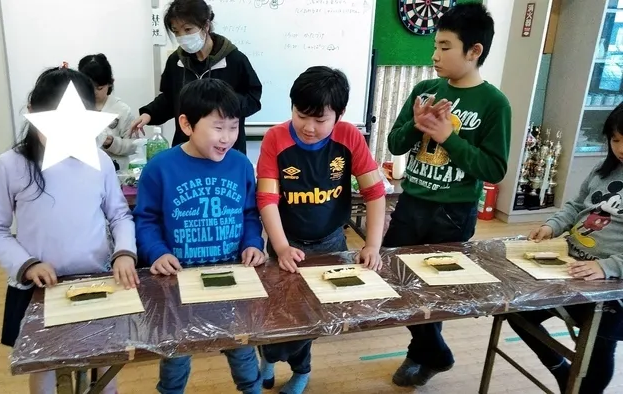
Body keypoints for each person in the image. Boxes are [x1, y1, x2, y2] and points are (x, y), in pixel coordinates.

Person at [0, 66, 139, 394]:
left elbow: (120, 215)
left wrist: (124, 252)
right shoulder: (11, 165)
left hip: (95, 279)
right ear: (34, 114)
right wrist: (27, 265)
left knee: (105, 358)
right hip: (38, 289)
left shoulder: (101, 162)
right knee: (45, 365)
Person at [381, 2, 512, 387]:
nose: (435, 56)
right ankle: (435, 352)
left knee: (432, 291)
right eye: (435, 46)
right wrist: (418, 127)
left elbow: (493, 168)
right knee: (393, 278)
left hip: (453, 213)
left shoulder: (494, 103)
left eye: (445, 47)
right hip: (412, 204)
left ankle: (418, 355)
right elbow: (394, 142)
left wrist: (448, 138)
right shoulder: (426, 89)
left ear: (475, 51)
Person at [255, 66, 386, 394]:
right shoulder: (275, 138)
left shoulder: (350, 136)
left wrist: (372, 245)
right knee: (277, 314)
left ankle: (302, 371)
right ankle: (268, 360)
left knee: (312, 315)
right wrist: (282, 247)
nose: (309, 127)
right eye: (301, 115)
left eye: (320, 119)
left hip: (330, 243)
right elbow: (268, 199)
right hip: (286, 243)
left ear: (339, 115)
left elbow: (374, 192)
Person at [133, 78, 265, 394]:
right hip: (178, 283)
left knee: (242, 347)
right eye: (218, 127)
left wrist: (252, 243)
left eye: (234, 128)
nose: (227, 138)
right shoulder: (160, 167)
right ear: (187, 124)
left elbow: (249, 214)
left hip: (232, 280)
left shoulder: (241, 164)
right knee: (177, 353)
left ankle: (252, 389)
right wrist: (157, 251)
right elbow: (145, 219)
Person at [507, 104, 623, 394]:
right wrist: (552, 225)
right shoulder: (604, 169)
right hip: (571, 267)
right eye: (616, 139)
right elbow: (576, 206)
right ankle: (562, 370)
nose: (620, 148)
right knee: (515, 311)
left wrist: (607, 267)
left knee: (597, 346)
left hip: (613, 287)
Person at [130, 0, 262, 155]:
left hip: (225, 149)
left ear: (205, 26)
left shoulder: (234, 59)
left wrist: (224, 107)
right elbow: (169, 99)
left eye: (187, 29)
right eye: (176, 31)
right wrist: (149, 113)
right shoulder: (175, 61)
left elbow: (253, 98)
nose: (182, 37)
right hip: (186, 148)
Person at [78, 53, 138, 170]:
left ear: (110, 82)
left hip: (115, 171)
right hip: (83, 170)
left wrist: (111, 142)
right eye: (89, 87)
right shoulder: (76, 107)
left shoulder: (122, 110)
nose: (94, 92)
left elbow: (133, 145)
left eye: (99, 88)